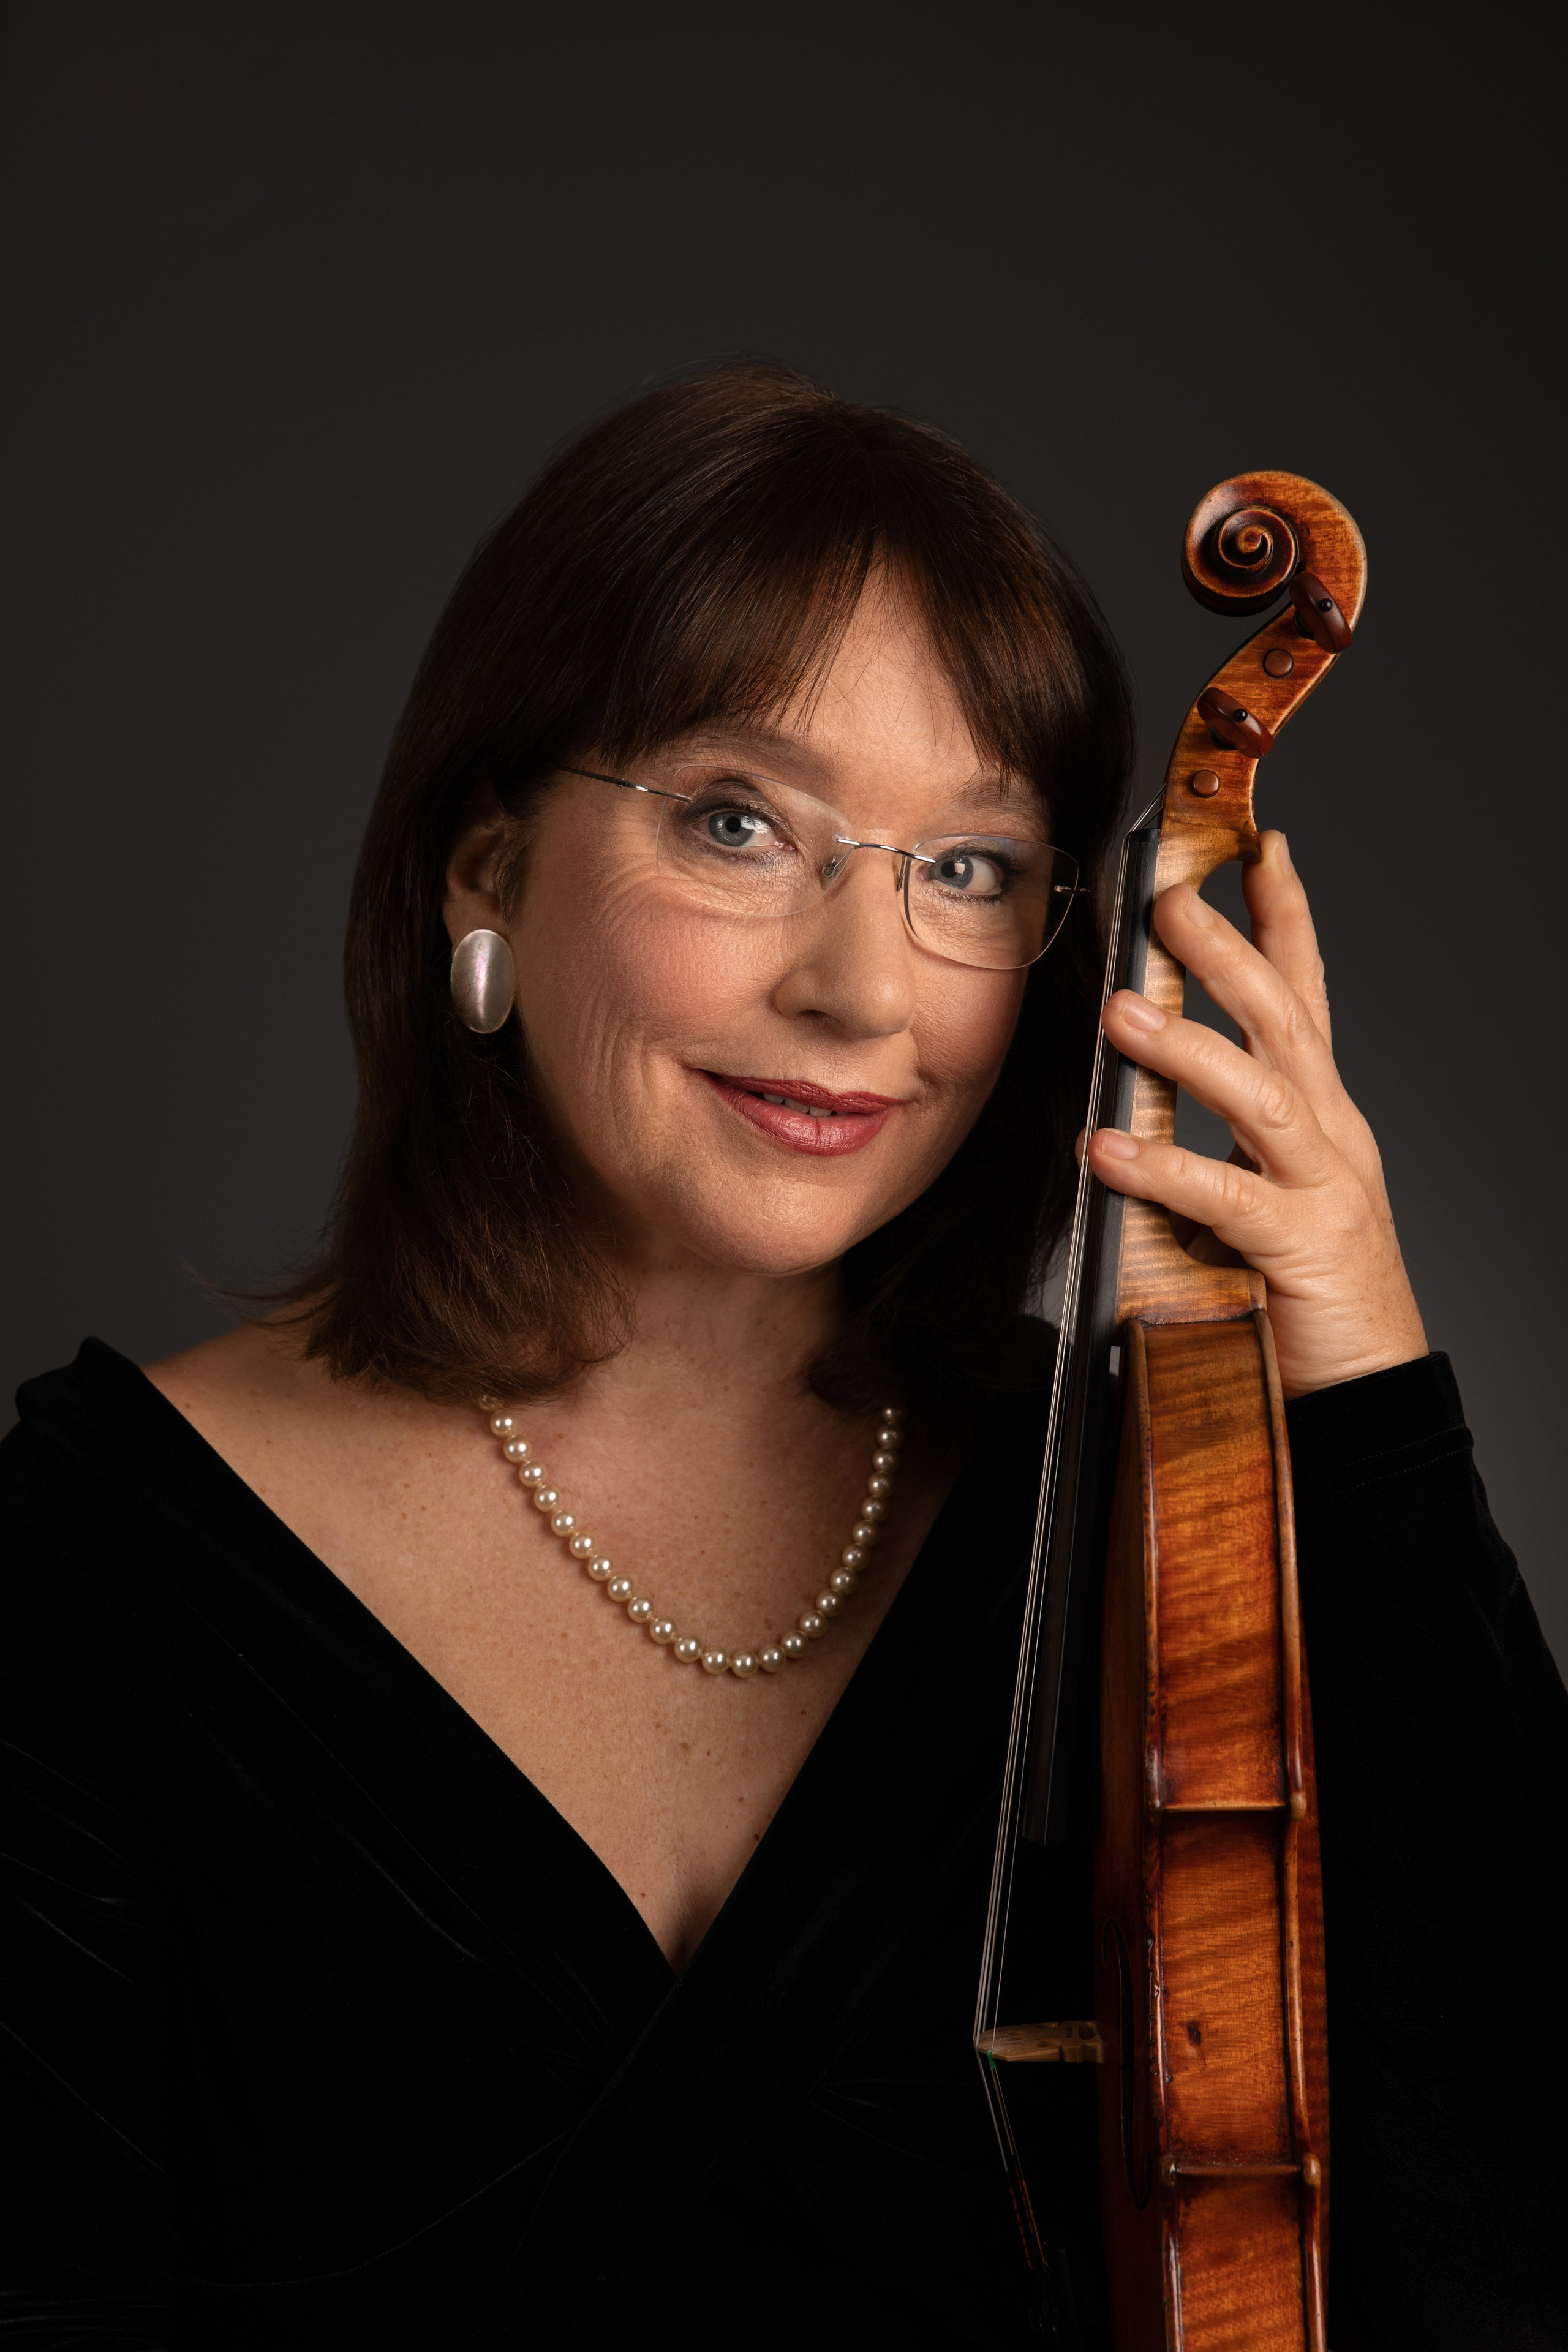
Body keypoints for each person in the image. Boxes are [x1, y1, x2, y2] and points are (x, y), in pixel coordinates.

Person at [4, 361, 1563, 2350]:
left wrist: (1367, 1402)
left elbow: (1501, 2172)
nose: (859, 989)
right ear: (485, 869)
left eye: (971, 869)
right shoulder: (95, 1556)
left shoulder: (1132, 1535)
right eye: (742, 823)